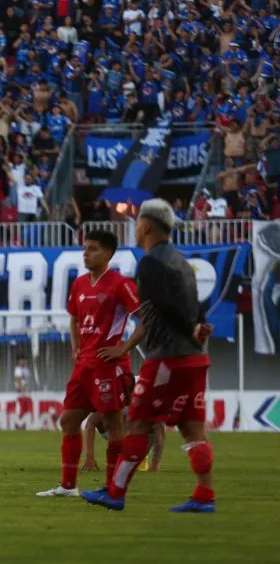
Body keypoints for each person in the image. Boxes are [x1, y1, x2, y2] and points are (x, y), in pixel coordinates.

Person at [83, 199, 215, 513]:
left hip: (167, 357)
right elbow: (196, 304)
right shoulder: (182, 262)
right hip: (195, 358)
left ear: (145, 226)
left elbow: (165, 304)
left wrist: (189, 327)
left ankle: (115, 493)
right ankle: (204, 495)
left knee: (138, 422)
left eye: (137, 223)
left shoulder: (150, 263)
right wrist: (197, 327)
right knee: (193, 428)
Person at [37, 230, 141, 499]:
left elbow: (146, 319)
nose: (86, 253)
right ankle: (69, 486)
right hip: (84, 365)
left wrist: (122, 347)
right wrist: (75, 347)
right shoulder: (80, 284)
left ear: (108, 253)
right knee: (68, 420)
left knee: (113, 423)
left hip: (108, 364)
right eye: (85, 248)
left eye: (93, 249)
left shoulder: (121, 284)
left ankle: (113, 489)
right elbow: (73, 317)